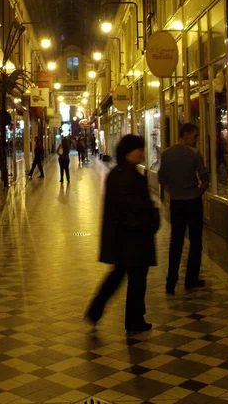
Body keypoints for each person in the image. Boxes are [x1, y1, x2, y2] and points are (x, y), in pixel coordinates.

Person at [85, 134, 160, 332]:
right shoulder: (127, 175)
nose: (142, 152)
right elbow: (130, 206)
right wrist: (150, 219)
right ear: (129, 151)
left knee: (120, 275)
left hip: (126, 236)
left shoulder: (121, 172)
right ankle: (133, 320)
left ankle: (96, 310)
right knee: (135, 279)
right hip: (132, 237)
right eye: (139, 149)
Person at [159, 122, 209, 295]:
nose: (196, 140)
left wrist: (173, 191)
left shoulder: (166, 154)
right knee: (195, 241)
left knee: (176, 241)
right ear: (186, 135)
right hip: (193, 202)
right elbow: (205, 178)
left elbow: (162, 179)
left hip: (176, 202)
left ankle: (171, 282)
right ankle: (191, 279)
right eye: (195, 136)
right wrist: (197, 192)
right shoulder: (194, 154)